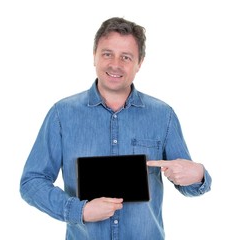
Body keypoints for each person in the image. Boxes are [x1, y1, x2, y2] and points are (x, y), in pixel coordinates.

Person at [19, 17, 212, 240]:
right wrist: (79, 211)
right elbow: (31, 182)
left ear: (139, 63)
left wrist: (198, 175)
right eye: (107, 53)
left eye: (126, 57)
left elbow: (187, 183)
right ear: (94, 56)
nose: (115, 64)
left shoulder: (163, 116)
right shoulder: (62, 114)